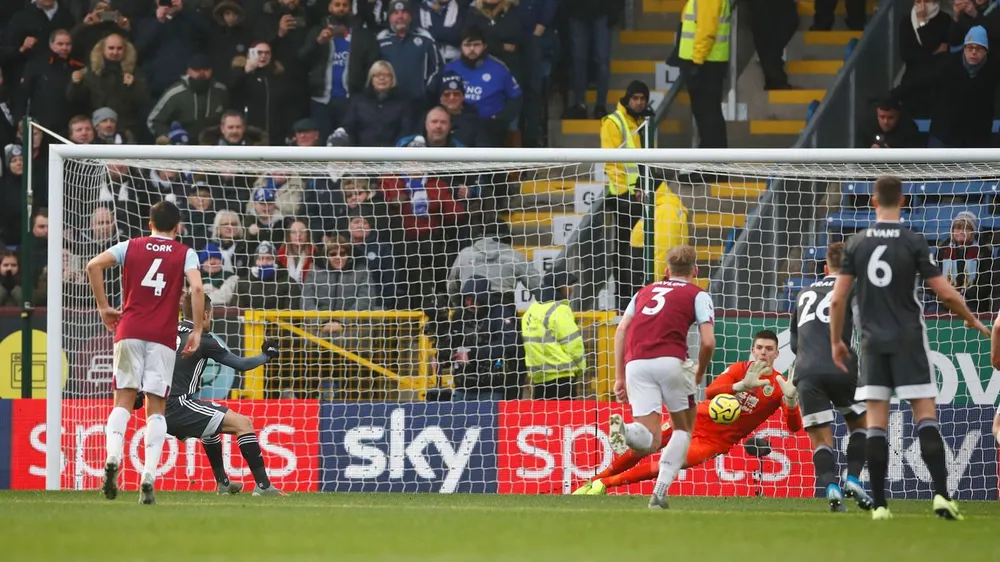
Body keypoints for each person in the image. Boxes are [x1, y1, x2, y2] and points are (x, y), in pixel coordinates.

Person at [828, 175, 990, 521]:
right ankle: (942, 496)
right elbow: (945, 293)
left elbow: (838, 299)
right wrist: (971, 319)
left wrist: (836, 342)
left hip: (872, 343)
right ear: (902, 201)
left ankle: (880, 507)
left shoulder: (856, 244)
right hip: (909, 340)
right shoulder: (913, 240)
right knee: (925, 417)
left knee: (876, 423)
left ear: (874, 201)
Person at [575, 330, 801, 498]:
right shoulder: (739, 369)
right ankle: (593, 481)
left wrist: (791, 402)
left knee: (668, 464)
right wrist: (740, 386)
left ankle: (604, 485)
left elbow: (794, 427)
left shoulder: (780, 385)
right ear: (753, 350)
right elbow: (711, 391)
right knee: (645, 447)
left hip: (715, 441)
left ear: (776, 354)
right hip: (693, 419)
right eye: (759, 347)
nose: (763, 352)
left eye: (768, 349)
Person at [85, 201, 205, 505]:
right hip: (162, 337)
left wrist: (103, 307)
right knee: (156, 407)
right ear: (177, 227)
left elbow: (93, 265)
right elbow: (197, 289)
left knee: (123, 399)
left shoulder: (131, 246)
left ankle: (113, 457)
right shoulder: (185, 253)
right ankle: (148, 476)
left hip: (128, 331)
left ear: (149, 224)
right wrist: (197, 330)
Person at [135, 292, 284, 496]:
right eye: (211, 315)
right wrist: (266, 356)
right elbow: (241, 364)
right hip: (178, 406)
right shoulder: (203, 339)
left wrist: (139, 391)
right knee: (244, 424)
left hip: (155, 409)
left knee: (209, 429)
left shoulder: (166, 331)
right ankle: (264, 486)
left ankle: (223, 484)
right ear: (205, 315)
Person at [605, 245, 716, 509]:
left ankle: (626, 430)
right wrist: (700, 371)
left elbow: (621, 330)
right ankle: (660, 493)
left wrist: (620, 376)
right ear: (695, 271)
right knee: (683, 429)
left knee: (650, 439)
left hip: (636, 363)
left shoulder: (644, 291)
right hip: (671, 361)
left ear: (667, 271)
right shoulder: (698, 295)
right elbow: (708, 342)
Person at [789, 242, 874, 512]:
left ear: (825, 268)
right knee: (862, 426)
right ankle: (853, 479)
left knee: (821, 440)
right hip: (842, 367)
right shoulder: (853, 288)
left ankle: (830, 488)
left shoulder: (803, 293)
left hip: (807, 372)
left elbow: (794, 343)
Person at [600, 80, 651, 310]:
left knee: (640, 246)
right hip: (624, 197)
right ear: (627, 98)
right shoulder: (614, 122)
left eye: (643, 99)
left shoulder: (643, 121)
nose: (639, 103)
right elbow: (612, 162)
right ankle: (622, 295)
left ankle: (638, 293)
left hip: (641, 194)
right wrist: (624, 194)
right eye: (635, 98)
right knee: (623, 248)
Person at [522, 271, 585, 399]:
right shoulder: (560, 310)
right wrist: (580, 368)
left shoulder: (530, 312)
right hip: (562, 377)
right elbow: (573, 344)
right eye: (569, 284)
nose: (572, 288)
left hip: (539, 378)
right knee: (566, 412)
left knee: (544, 412)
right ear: (560, 286)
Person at [678, 0, 730, 148]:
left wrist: (696, 61)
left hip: (705, 63)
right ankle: (712, 157)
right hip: (707, 62)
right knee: (708, 116)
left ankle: (712, 158)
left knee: (707, 117)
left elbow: (706, 31)